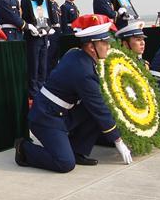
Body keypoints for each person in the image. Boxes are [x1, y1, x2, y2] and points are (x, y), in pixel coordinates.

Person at [13, 14, 132, 173]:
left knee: (93, 111)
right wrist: (118, 140)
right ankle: (24, 149)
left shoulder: (77, 54)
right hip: (47, 118)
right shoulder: (83, 71)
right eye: (104, 43)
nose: (108, 46)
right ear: (91, 47)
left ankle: (77, 150)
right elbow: (99, 107)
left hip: (62, 112)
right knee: (64, 164)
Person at [20, 0, 49, 99]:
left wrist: (49, 29)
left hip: (44, 36)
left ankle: (42, 90)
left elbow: (49, 18)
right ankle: (33, 93)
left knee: (43, 66)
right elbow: (26, 18)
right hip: (33, 37)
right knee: (34, 66)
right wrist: (32, 28)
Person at [44, 0, 62, 72]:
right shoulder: (46, 4)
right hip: (51, 31)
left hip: (57, 31)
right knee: (50, 56)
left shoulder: (55, 5)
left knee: (56, 55)